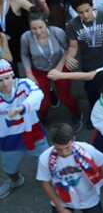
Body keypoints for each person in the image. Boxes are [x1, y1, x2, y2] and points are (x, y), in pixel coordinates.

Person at [37, 123, 103, 212]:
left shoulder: (87, 149)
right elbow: (45, 183)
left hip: (89, 198)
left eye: (67, 148)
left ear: (73, 139)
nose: (64, 153)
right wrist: (59, 207)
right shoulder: (45, 158)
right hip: (62, 200)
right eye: (59, 149)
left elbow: (102, 165)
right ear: (52, 143)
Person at [21, 10, 81, 128]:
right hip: (39, 70)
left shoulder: (57, 32)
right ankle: (42, 118)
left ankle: (76, 114)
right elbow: (24, 55)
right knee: (43, 102)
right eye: (33, 29)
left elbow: (68, 48)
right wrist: (28, 73)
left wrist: (60, 66)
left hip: (60, 66)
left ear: (46, 23)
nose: (38, 32)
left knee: (66, 98)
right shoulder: (26, 37)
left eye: (40, 27)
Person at [0, 59, 47, 199]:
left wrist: (22, 107)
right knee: (9, 168)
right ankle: (15, 181)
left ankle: (54, 181)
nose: (5, 83)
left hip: (33, 133)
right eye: (0, 80)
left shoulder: (24, 83)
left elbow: (38, 94)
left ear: (12, 74)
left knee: (47, 159)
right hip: (9, 139)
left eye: (7, 78)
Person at [0, 0, 44, 75]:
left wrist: (42, 5)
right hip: (5, 45)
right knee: (10, 71)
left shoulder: (15, 0)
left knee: (35, 69)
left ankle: (46, 86)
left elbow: (36, 12)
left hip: (23, 40)